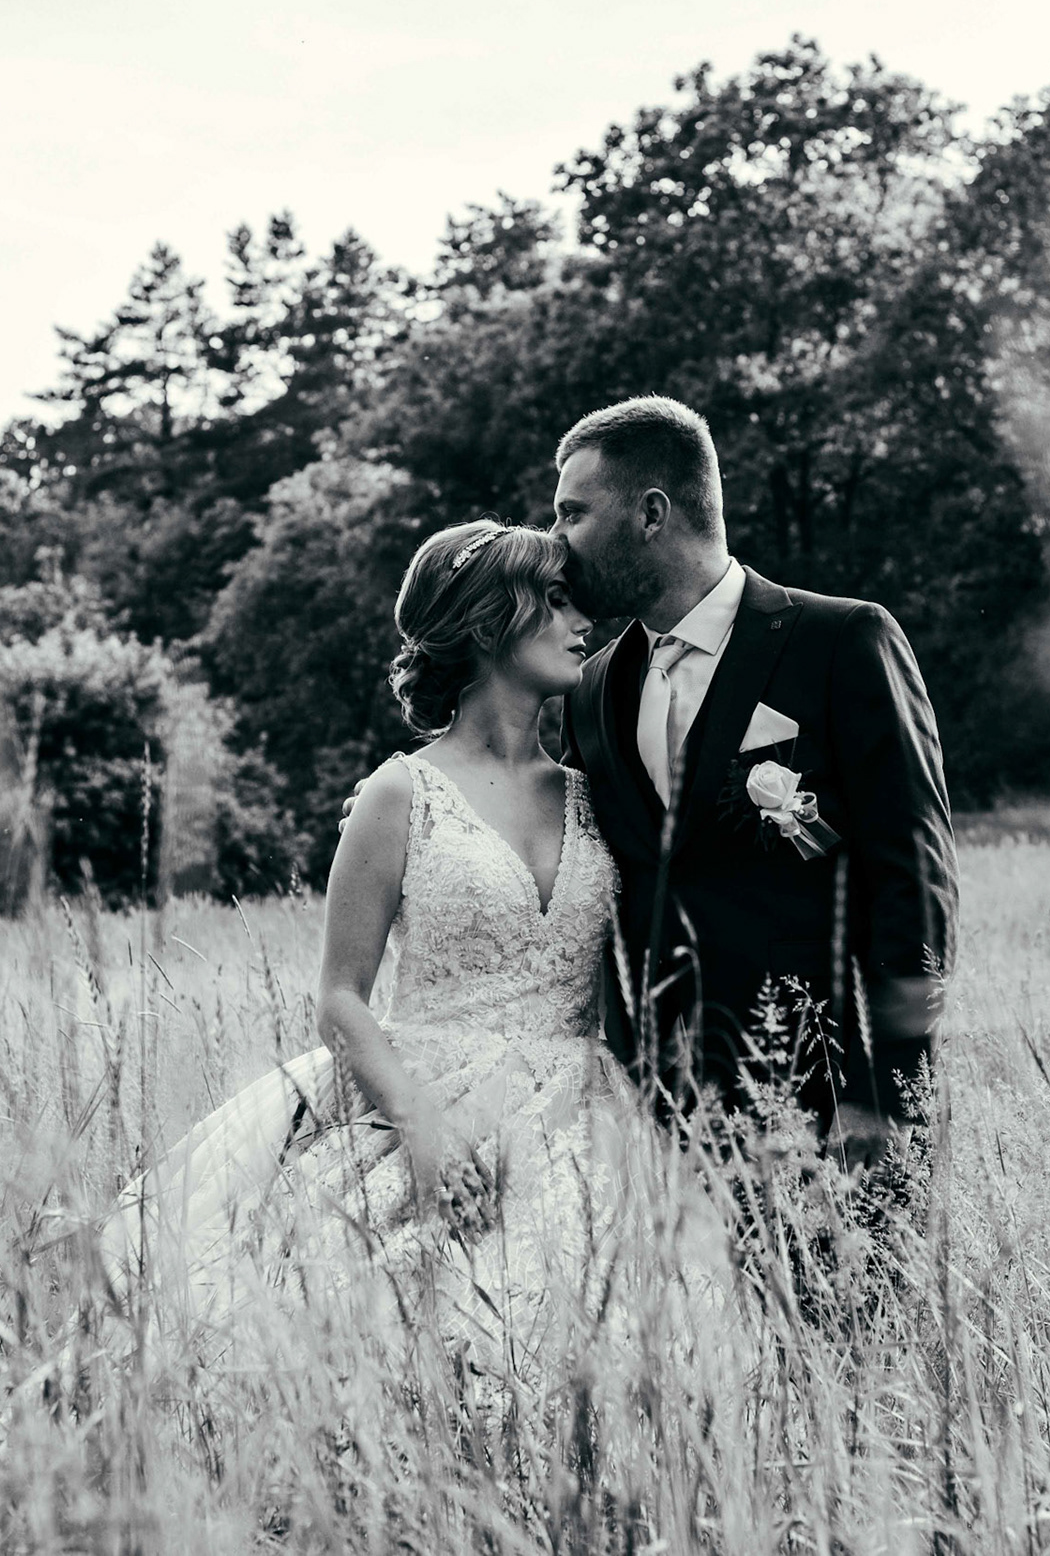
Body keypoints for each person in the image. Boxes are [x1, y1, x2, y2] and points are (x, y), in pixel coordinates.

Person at [104, 520, 664, 1365]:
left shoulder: (601, 793)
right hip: (427, 1099)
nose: (583, 621)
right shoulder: (400, 793)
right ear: (488, 621)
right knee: (395, 1340)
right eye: (555, 600)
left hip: (584, 1115)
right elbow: (339, 996)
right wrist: (420, 1125)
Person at [548, 396, 958, 1166]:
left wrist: (892, 1091)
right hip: (660, 1123)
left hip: (831, 1106)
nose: (555, 541)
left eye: (572, 513)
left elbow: (913, 882)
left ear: (651, 513)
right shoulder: (590, 689)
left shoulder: (841, 641)